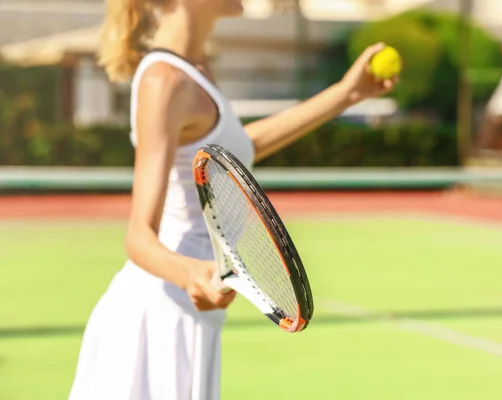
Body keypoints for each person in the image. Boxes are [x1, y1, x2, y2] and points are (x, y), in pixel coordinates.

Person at [68, 0, 399, 399]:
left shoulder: (196, 70)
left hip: (189, 314)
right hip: (158, 319)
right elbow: (138, 237)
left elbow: (244, 145)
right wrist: (189, 274)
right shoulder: (165, 81)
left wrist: (346, 94)